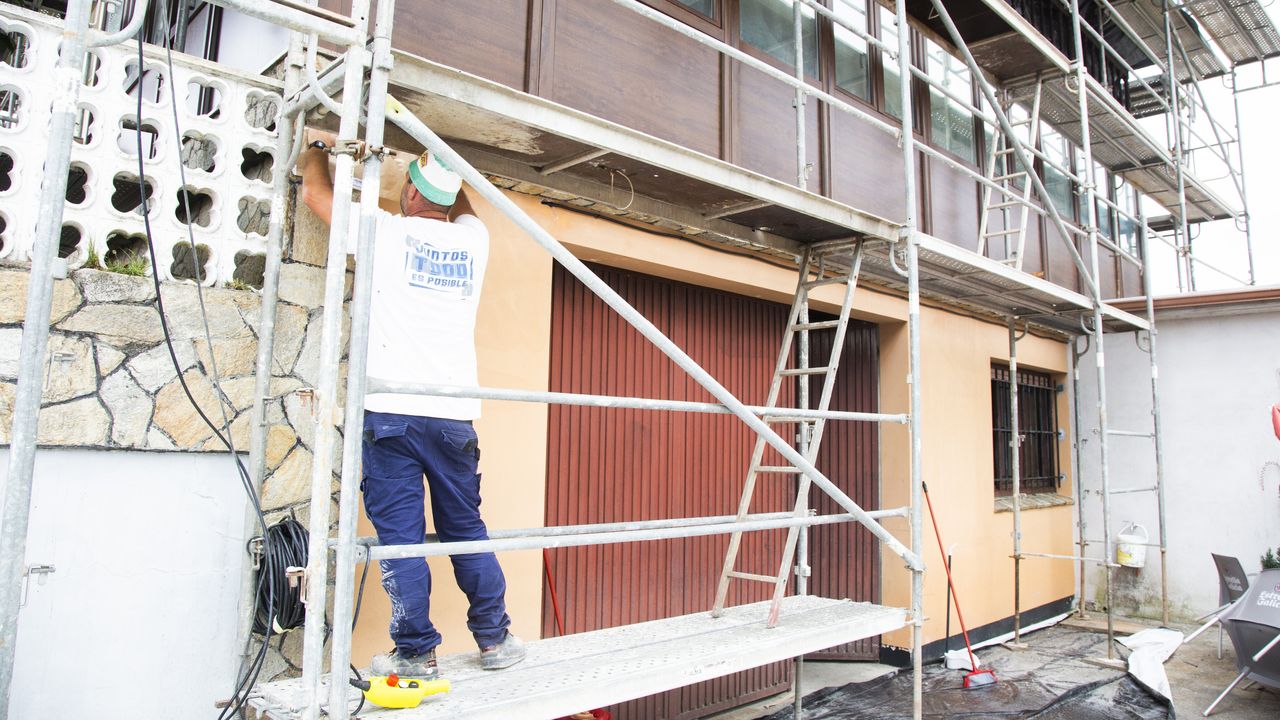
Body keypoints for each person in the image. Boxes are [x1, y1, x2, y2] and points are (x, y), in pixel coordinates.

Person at [298, 135, 525, 679]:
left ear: (408, 196)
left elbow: (314, 195)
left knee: (401, 541)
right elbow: (464, 208)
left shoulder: (385, 231)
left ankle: (416, 652)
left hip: (392, 411)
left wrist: (314, 151)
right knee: (465, 529)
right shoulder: (474, 241)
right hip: (452, 415)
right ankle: (495, 640)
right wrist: (450, 169)